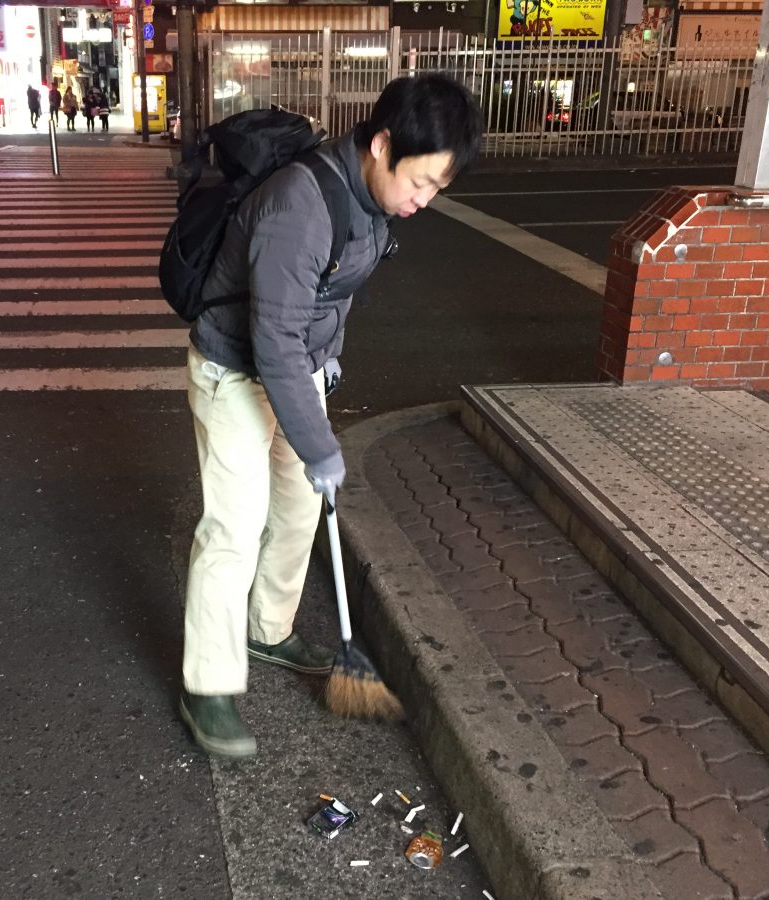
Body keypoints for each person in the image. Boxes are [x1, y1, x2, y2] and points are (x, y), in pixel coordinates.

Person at [177, 74, 483, 759]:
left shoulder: (374, 205)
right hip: (234, 366)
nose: (423, 200)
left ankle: (269, 627)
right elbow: (275, 339)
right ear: (382, 145)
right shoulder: (298, 205)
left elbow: (333, 294)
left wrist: (330, 362)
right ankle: (209, 683)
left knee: (299, 506)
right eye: (422, 181)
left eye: (437, 187)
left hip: (293, 367)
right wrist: (318, 442)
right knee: (235, 523)